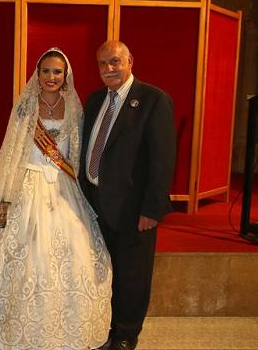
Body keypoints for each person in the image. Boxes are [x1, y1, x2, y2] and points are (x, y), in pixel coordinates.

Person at [0, 48, 112, 350]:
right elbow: (10, 150)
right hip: (27, 183)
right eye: (46, 71)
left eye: (58, 72)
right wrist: (2, 194)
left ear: (66, 76)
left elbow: (76, 153)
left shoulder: (75, 107)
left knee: (74, 253)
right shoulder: (26, 106)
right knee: (26, 253)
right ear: (37, 75)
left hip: (63, 188)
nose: (52, 77)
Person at [80, 40, 176, 350]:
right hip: (95, 203)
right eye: (103, 64)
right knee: (104, 272)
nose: (109, 69)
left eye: (115, 62)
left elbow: (163, 160)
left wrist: (152, 209)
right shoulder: (95, 100)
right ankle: (105, 327)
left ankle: (125, 336)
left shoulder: (153, 100)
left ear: (129, 61)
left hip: (134, 209)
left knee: (132, 276)